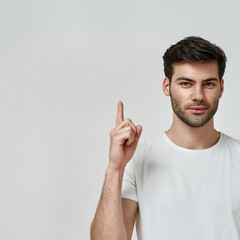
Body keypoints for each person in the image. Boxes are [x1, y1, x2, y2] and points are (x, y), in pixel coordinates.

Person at [90, 36, 240, 240]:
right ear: (166, 86)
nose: (198, 95)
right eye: (186, 83)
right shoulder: (138, 159)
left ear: (221, 87)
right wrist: (115, 169)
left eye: (209, 84)